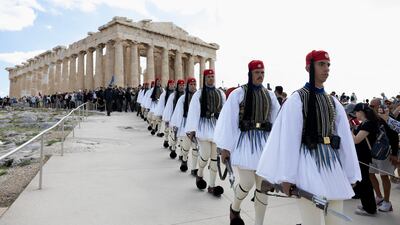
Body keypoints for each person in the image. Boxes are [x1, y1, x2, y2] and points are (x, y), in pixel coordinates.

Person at [256, 50, 361, 225]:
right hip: (308, 163)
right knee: (312, 221)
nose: (326, 69)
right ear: (308, 68)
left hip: (332, 166)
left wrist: (350, 174)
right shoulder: (297, 99)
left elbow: (345, 141)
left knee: (335, 221)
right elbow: (290, 140)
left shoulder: (333, 102)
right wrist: (287, 177)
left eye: (328, 65)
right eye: (321, 64)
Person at [214, 60, 280, 225]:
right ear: (250, 74)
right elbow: (228, 121)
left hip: (263, 143)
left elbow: (277, 120)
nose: (260, 76)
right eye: (257, 73)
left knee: (263, 187)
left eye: (262, 73)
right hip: (245, 142)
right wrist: (225, 148)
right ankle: (235, 208)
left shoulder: (270, 95)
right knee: (247, 182)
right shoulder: (239, 93)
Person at [185, 69, 226, 197]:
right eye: (208, 77)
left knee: (214, 159)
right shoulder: (199, 94)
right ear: (204, 78)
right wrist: (192, 129)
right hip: (203, 127)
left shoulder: (221, 93)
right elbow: (194, 112)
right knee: (206, 154)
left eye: (212, 76)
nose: (211, 78)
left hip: (216, 128)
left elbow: (225, 113)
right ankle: (200, 173)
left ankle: (212, 186)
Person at [367, 98, 398, 212]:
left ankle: (387, 202)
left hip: (386, 153)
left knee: (384, 176)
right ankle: (379, 197)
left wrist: (394, 154)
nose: (370, 108)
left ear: (379, 107)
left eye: (372, 106)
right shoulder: (373, 119)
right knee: (370, 173)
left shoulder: (388, 119)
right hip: (374, 152)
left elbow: (394, 136)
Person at [351, 103, 379, 216]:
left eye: (356, 112)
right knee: (363, 181)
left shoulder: (368, 124)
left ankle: (370, 208)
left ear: (361, 112)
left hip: (364, 156)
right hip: (362, 155)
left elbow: (357, 140)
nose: (355, 115)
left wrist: (350, 130)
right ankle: (367, 204)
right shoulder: (366, 123)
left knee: (365, 182)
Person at [170, 77, 199, 175]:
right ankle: (185, 159)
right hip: (186, 123)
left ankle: (194, 168)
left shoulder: (199, 97)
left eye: (195, 84)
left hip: (196, 125)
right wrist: (176, 125)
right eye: (191, 84)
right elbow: (179, 112)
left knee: (195, 148)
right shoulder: (182, 98)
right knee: (186, 146)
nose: (193, 86)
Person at [163, 79, 186, 157]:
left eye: (183, 85)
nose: (182, 87)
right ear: (177, 86)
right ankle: (173, 148)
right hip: (174, 117)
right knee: (174, 135)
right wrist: (168, 119)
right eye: (180, 85)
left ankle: (182, 154)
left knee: (183, 138)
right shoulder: (172, 96)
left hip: (183, 119)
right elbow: (169, 107)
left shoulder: (186, 95)